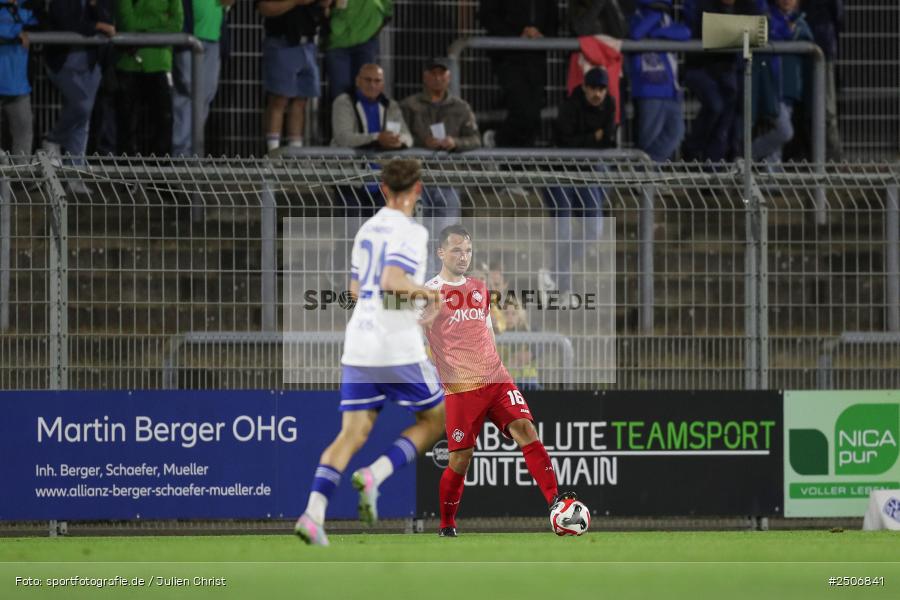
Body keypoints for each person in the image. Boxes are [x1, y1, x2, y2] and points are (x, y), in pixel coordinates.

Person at [294, 159, 446, 546]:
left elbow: (356, 290)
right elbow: (392, 280)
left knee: (352, 434)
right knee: (436, 419)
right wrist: (429, 295)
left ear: (382, 190)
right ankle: (376, 474)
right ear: (417, 190)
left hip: (360, 344)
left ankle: (313, 514)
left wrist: (397, 297)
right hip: (397, 346)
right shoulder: (412, 231)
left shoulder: (366, 229)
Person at [422, 224, 575, 537]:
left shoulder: (479, 289)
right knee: (460, 459)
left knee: (526, 429)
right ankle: (447, 525)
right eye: (456, 250)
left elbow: (488, 333)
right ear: (441, 252)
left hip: (497, 379)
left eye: (467, 250)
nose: (463, 256)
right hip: (462, 388)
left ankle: (555, 502)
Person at [400, 57, 480, 275]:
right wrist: (420, 143)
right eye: (433, 73)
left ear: (448, 76)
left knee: (447, 239)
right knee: (418, 238)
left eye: (441, 73)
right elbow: (399, 138)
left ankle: (443, 291)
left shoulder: (461, 107)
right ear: (425, 76)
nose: (437, 78)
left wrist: (454, 143)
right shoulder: (409, 106)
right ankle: (423, 291)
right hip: (418, 180)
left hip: (448, 180)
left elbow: (475, 140)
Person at [541, 67, 614, 297]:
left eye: (602, 89)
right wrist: (593, 138)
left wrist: (589, 143)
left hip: (588, 171)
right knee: (562, 229)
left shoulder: (609, 104)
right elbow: (566, 143)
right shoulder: (570, 107)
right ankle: (562, 284)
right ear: (584, 87)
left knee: (595, 228)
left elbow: (609, 139)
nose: (598, 94)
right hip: (560, 172)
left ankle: (557, 268)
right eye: (593, 88)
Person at [681, 0, 761, 162]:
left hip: (729, 72)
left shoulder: (747, 5)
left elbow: (759, 29)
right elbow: (701, 32)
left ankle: (714, 166)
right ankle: (692, 150)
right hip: (700, 68)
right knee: (716, 105)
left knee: (727, 117)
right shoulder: (700, 5)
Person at [41, 0, 115, 169]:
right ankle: (52, 139)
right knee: (81, 106)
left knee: (83, 121)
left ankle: (74, 175)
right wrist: (97, 26)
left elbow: (110, 25)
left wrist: (95, 6)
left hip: (91, 65)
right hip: (63, 64)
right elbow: (66, 23)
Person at [479, 0, 558, 148]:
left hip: (536, 57)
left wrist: (543, 35)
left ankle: (516, 161)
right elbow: (487, 16)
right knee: (524, 110)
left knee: (534, 113)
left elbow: (553, 19)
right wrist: (517, 35)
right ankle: (498, 141)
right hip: (508, 56)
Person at [257, 0, 328, 152]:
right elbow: (265, 7)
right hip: (281, 41)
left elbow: (324, 8)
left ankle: (295, 153)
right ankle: (273, 154)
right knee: (279, 99)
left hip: (308, 44)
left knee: (301, 101)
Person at [115, 0, 184, 156]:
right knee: (128, 126)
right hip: (130, 63)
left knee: (163, 124)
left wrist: (140, 33)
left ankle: (158, 177)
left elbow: (176, 25)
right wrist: (161, 20)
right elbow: (127, 23)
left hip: (159, 64)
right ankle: (128, 177)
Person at [627, 0, 690, 162]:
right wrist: (655, 15)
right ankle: (645, 182)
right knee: (648, 139)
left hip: (671, 90)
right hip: (648, 90)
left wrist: (657, 34)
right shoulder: (636, 14)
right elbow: (635, 33)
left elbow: (685, 33)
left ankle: (644, 175)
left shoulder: (665, 18)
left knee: (676, 133)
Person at [751, 0, 812, 164]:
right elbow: (772, 33)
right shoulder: (768, 16)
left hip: (788, 90)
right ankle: (746, 158)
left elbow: (808, 37)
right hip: (772, 87)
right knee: (785, 132)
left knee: (778, 140)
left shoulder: (800, 20)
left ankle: (771, 183)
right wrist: (789, 30)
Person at [171, 0, 233, 156]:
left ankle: (194, 154)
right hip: (188, 38)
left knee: (204, 98)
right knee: (187, 96)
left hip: (213, 38)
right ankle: (180, 156)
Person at [324, 0, 392, 101]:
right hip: (338, 41)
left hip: (365, 39)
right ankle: (343, 116)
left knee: (366, 90)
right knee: (340, 94)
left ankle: (363, 116)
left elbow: (387, 8)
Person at [801, 0, 843, 160]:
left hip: (821, 48)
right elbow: (839, 17)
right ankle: (817, 157)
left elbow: (838, 15)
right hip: (805, 44)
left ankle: (831, 158)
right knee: (812, 109)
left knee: (826, 109)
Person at [0, 0, 37, 162]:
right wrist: (16, 33)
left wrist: (29, 31)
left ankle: (19, 182)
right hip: (13, 84)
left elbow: (44, 24)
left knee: (23, 135)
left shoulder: (27, 6)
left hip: (19, 86)